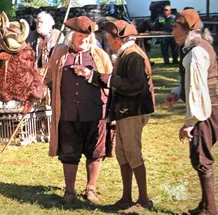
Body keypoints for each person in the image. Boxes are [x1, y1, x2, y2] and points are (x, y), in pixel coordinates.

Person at [74, 20, 155, 212]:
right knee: (123, 155)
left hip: (132, 112)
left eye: (110, 38)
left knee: (133, 154)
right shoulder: (126, 54)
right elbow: (116, 82)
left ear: (120, 38)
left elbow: (136, 85)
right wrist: (91, 75)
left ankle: (143, 200)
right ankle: (126, 198)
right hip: (125, 112)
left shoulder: (133, 55)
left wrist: (109, 78)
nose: (109, 42)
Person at [43, 16, 112, 205]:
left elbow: (111, 79)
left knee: (95, 152)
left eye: (87, 36)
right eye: (80, 35)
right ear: (71, 35)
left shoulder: (100, 55)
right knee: (69, 152)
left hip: (95, 112)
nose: (85, 39)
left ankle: (91, 189)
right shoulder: (59, 54)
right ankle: (70, 191)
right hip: (67, 113)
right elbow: (46, 77)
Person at [164, 9, 217, 215]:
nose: (172, 31)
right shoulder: (195, 48)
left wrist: (190, 123)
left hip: (206, 110)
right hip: (208, 108)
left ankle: (210, 210)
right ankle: (205, 205)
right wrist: (177, 93)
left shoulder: (196, 52)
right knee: (198, 157)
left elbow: (197, 90)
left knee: (201, 158)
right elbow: (192, 82)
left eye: (175, 27)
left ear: (187, 29)